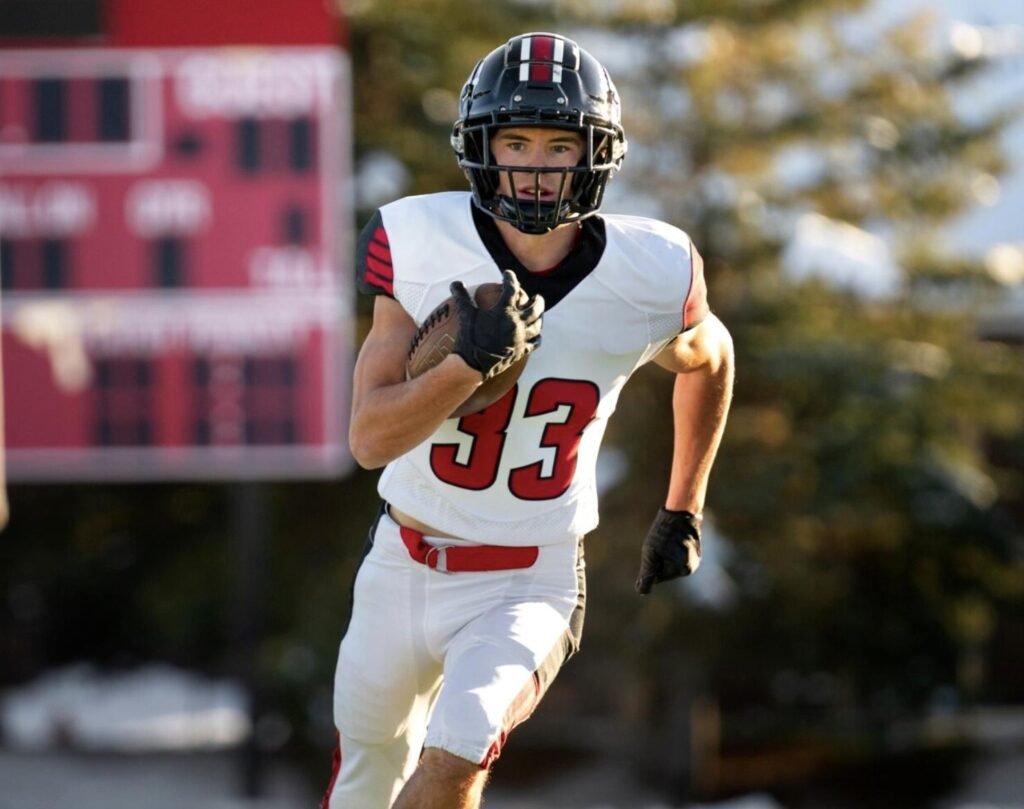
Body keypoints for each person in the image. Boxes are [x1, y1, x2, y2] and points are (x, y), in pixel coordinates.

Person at [322, 31, 734, 809]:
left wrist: (684, 506)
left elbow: (712, 358)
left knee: (457, 756)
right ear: (482, 147)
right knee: (364, 778)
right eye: (516, 140)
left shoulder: (651, 273)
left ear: (595, 153)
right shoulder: (417, 242)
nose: (537, 166)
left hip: (528, 576)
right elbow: (370, 438)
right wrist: (463, 366)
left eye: (558, 143)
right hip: (402, 560)